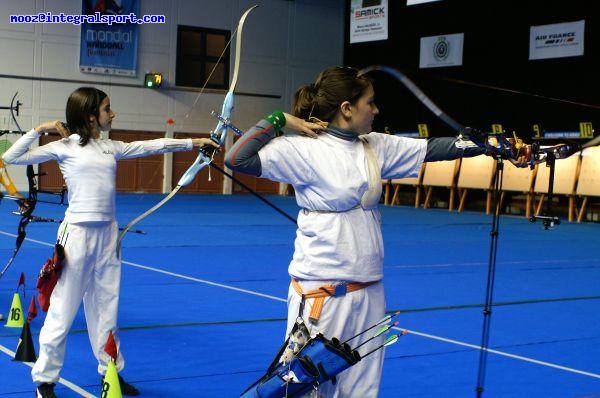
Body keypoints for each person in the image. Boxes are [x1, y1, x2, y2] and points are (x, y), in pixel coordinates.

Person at [225, 66, 530, 397]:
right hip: (323, 295)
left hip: (369, 291)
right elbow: (237, 158)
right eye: (369, 103)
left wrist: (489, 144)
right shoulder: (303, 149)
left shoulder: (374, 145)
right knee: (308, 389)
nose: (376, 110)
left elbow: (434, 148)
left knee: (362, 391)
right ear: (347, 109)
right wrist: (278, 119)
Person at [2, 87, 218, 398]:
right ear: (91, 116)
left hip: (108, 238)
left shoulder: (110, 147)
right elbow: (10, 156)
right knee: (63, 309)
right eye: (107, 109)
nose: (112, 114)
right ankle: (45, 381)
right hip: (76, 237)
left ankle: (110, 372)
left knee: (107, 310)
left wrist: (193, 143)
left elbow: (149, 146)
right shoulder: (65, 146)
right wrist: (40, 129)